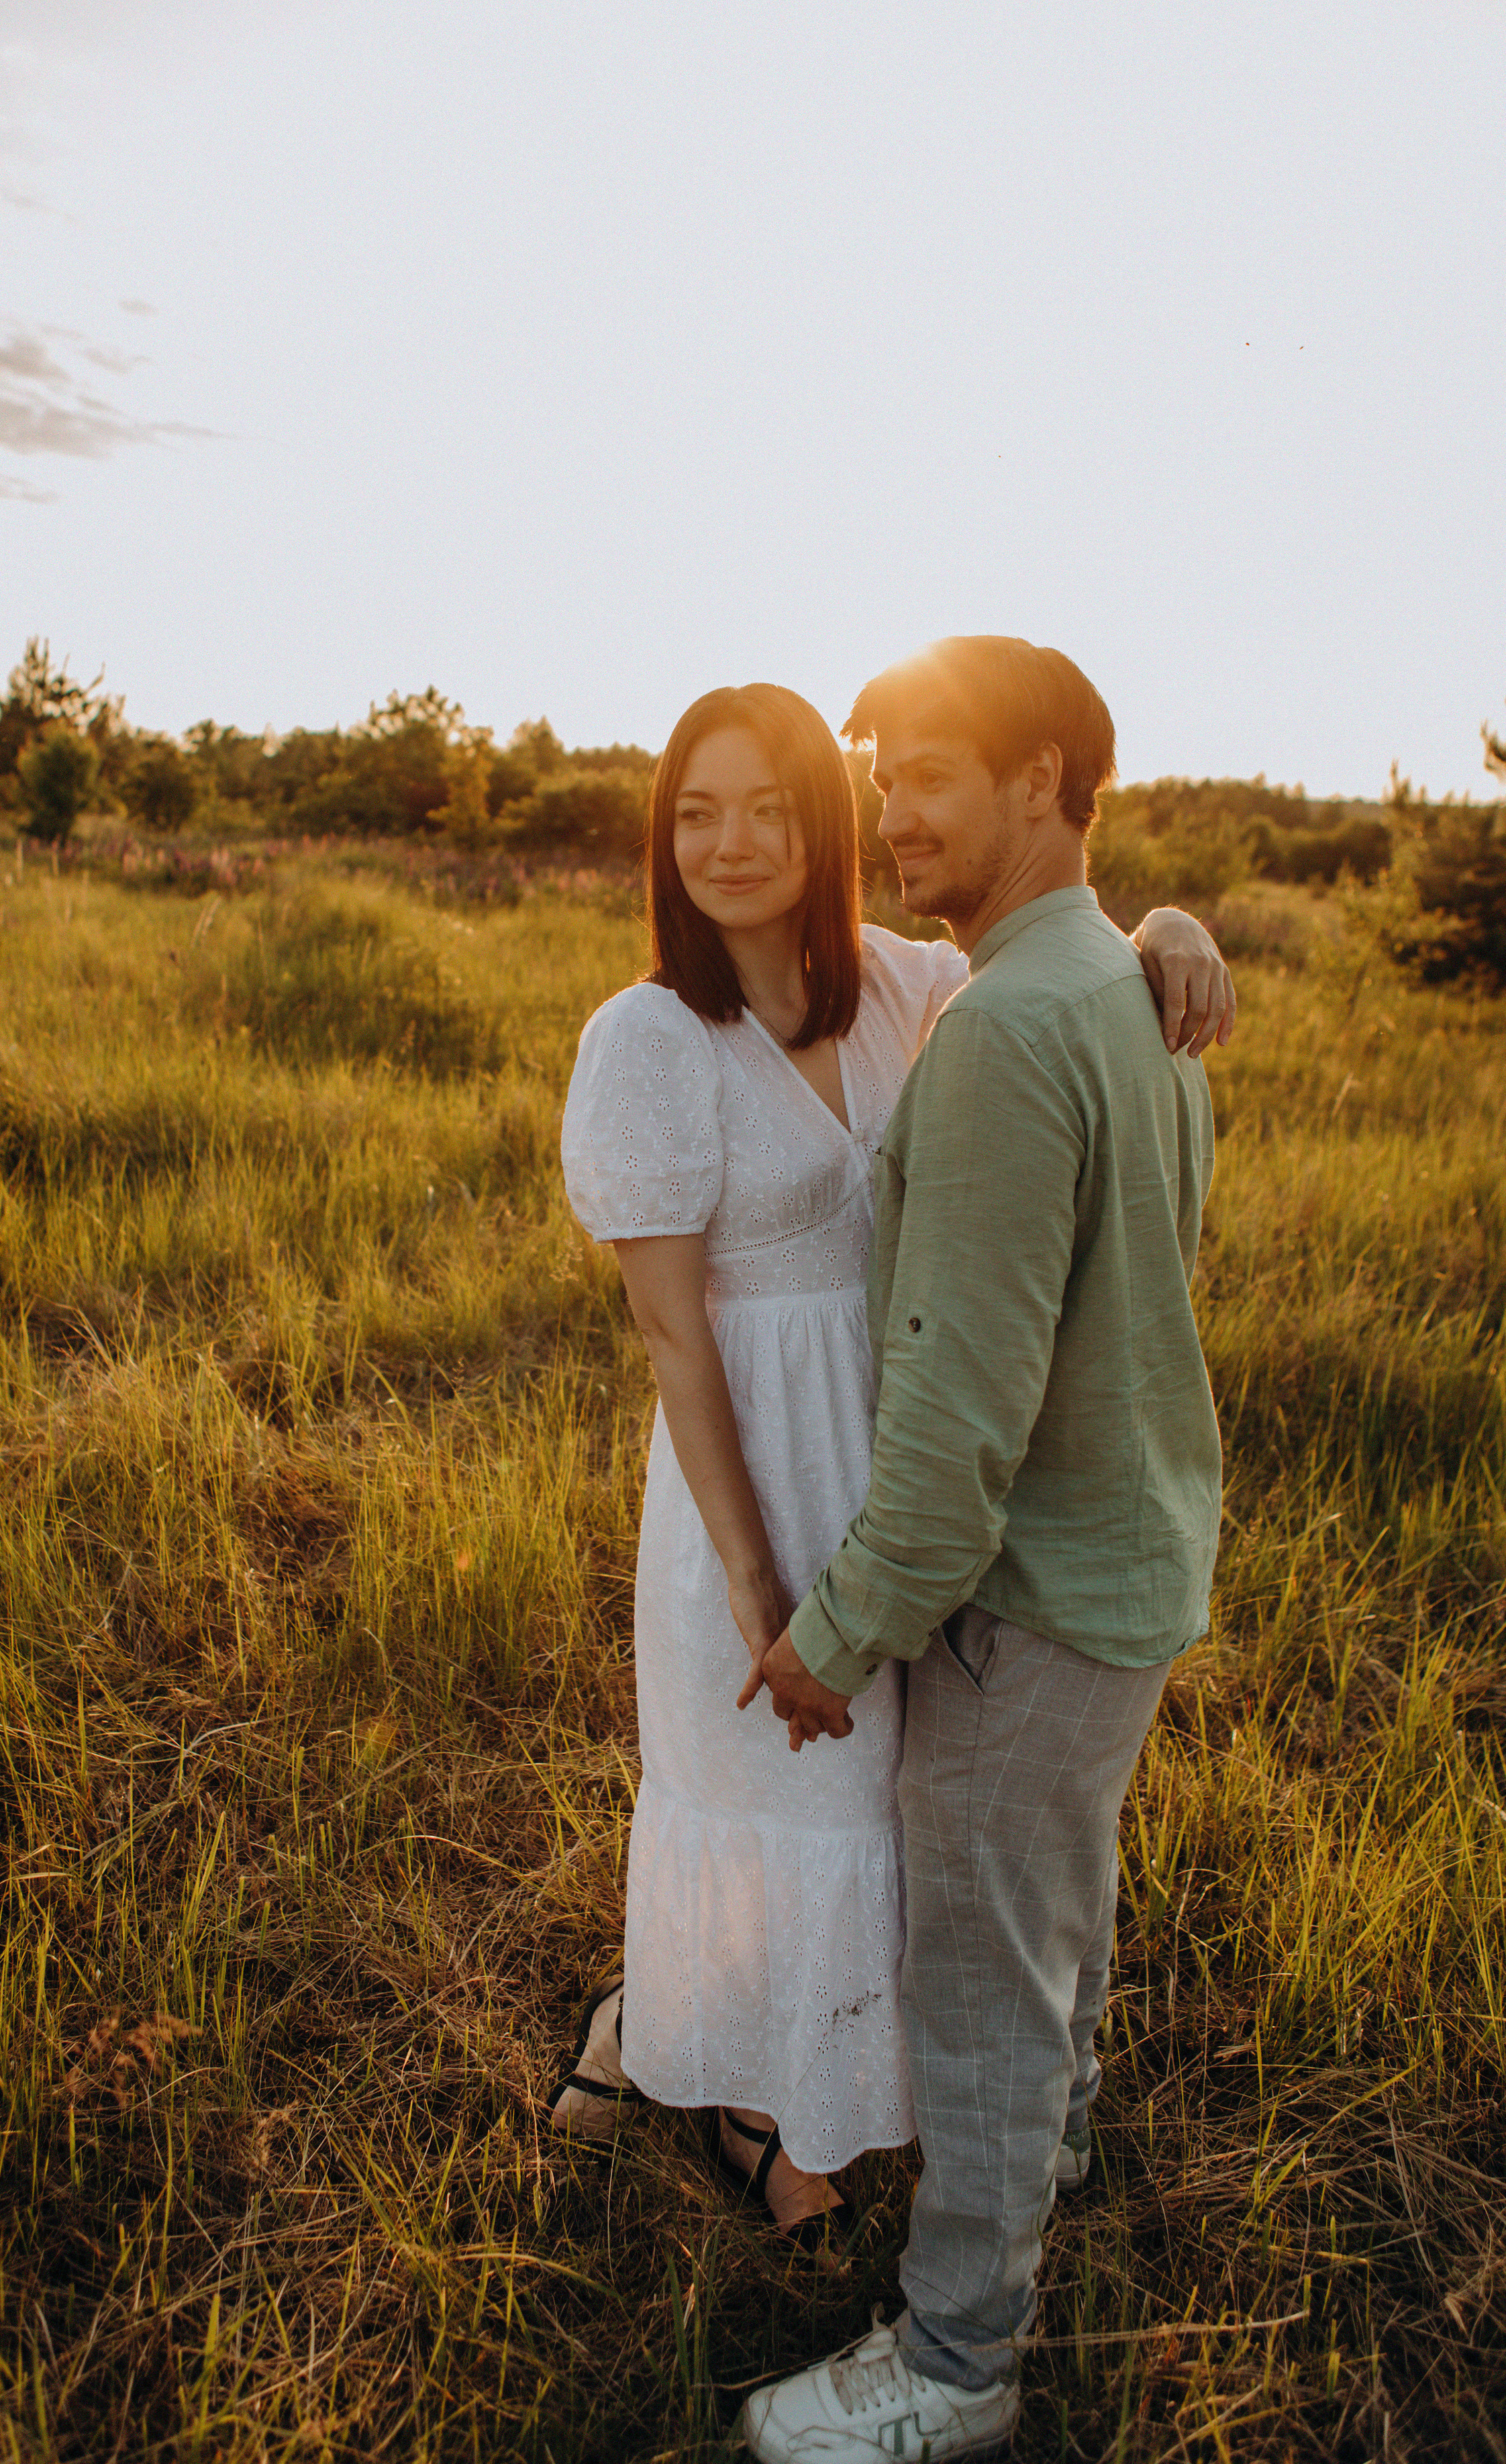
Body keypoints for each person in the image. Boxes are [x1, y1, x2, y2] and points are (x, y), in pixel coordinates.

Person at [553, 678, 1232, 2243]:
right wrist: (749, 1580)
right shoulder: (647, 1040)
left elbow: (1054, 945)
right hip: (757, 1481)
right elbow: (672, 1341)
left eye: (770, 806)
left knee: (883, 1818)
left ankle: (808, 2070)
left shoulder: (902, 982)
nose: (730, 842)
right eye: (695, 811)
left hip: (915, 1474)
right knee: (775, 1799)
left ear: (826, 821)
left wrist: (1168, 928)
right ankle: (712, 2071)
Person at [742, 639, 1226, 2459]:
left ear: (1044, 785)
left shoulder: (1021, 1028)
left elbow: (957, 1439)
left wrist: (832, 1638)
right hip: (1126, 1570)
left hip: (1037, 1604)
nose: (891, 809)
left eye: (929, 769)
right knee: (1047, 1944)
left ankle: (954, 2370)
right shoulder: (1117, 985)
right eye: (884, 772)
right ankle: (1040, 2173)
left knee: (984, 1982)